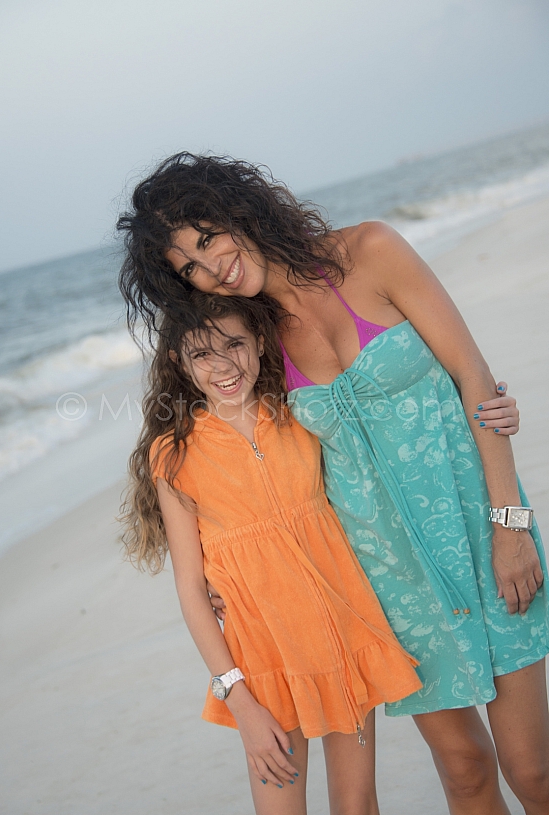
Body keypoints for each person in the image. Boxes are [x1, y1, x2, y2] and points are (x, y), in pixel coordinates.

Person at [117, 153, 549, 815]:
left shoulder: (370, 250)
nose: (212, 266)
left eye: (207, 238)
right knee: (462, 770)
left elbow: (473, 377)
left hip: (482, 526)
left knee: (533, 769)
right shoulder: (253, 341)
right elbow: (243, 461)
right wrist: (218, 574)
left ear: (239, 207)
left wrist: (509, 522)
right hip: (384, 576)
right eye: (191, 268)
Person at [124, 291, 423, 815]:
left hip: (342, 637)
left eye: (234, 344)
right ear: (179, 363)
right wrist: (237, 697)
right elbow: (191, 587)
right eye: (201, 354)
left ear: (261, 341)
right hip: (261, 665)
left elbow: (383, 437)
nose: (223, 365)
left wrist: (483, 398)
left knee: (357, 805)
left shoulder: (299, 410)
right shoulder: (174, 454)